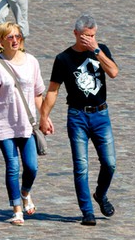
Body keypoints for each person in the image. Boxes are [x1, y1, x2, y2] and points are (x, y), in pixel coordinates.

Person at [40, 13, 119, 226]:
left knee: (110, 163)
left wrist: (96, 50)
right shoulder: (63, 59)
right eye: (85, 36)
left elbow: (113, 72)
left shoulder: (101, 50)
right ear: (75, 34)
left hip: (101, 115)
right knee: (81, 166)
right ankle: (87, 212)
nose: (88, 39)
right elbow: (53, 90)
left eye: (92, 35)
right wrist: (44, 116)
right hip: (77, 116)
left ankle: (100, 194)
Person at [0, 22, 45, 226]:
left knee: (32, 167)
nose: (15, 40)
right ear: (1, 40)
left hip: (26, 123)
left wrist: (45, 116)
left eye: (17, 36)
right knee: (12, 165)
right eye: (10, 37)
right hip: (4, 123)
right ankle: (17, 209)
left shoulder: (32, 61)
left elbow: (38, 92)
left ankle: (25, 192)